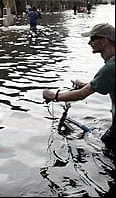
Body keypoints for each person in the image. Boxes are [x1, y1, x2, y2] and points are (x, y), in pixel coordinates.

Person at [43, 23, 115, 151]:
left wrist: (54, 96)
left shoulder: (109, 67)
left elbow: (81, 94)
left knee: (107, 149)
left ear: (104, 41)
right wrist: (86, 85)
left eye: (92, 39)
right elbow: (106, 81)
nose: (89, 43)